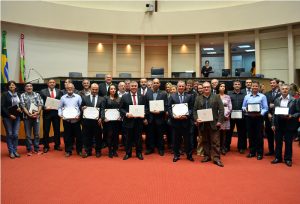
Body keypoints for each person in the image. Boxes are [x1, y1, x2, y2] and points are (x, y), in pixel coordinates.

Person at [194, 81, 225, 167]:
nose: (206, 88)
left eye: (208, 87)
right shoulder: (198, 98)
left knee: (215, 141)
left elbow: (221, 109)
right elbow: (194, 110)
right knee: (205, 141)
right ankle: (207, 156)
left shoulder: (216, 97)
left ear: (210, 88)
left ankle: (216, 158)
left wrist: (219, 121)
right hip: (203, 124)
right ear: (202, 89)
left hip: (214, 123)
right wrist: (196, 119)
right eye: (204, 87)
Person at [271, 84, 300, 167]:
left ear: (289, 90)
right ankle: (278, 158)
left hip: (289, 124)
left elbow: (298, 112)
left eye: (286, 89)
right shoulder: (276, 100)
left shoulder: (294, 100)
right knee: (278, 142)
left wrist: (292, 116)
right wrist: (273, 124)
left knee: (288, 143)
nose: (284, 90)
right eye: (283, 89)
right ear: (280, 90)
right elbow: (274, 113)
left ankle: (288, 159)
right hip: (278, 124)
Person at [120, 81, 148, 160]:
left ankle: (139, 153)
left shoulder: (142, 96)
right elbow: (121, 108)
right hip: (128, 121)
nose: (134, 87)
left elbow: (145, 108)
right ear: (129, 87)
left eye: (135, 86)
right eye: (132, 86)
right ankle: (128, 153)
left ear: (137, 86)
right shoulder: (124, 96)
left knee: (138, 138)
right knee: (128, 138)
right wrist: (126, 114)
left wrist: (144, 113)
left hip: (139, 121)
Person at [168, 80, 194, 162]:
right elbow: (169, 108)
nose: (181, 87)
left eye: (183, 86)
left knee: (188, 141)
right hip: (175, 122)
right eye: (180, 86)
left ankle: (189, 155)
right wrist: (174, 116)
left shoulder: (190, 96)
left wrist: (186, 115)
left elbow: (191, 108)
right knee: (176, 140)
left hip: (186, 122)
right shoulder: (172, 96)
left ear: (185, 87)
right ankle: (176, 155)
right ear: (177, 87)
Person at [242, 81, 268, 160]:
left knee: (259, 136)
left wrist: (260, 113)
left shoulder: (262, 96)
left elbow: (265, 108)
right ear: (251, 87)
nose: (254, 87)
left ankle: (259, 153)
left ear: (259, 87)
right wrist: (246, 110)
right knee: (250, 135)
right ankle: (252, 152)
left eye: (256, 86)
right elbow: (243, 107)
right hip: (249, 118)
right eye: (253, 86)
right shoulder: (247, 96)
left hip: (258, 118)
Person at [58, 83, 83, 157]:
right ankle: (68, 151)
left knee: (79, 136)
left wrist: (79, 115)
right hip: (67, 121)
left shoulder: (78, 97)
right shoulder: (63, 97)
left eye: (71, 87)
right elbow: (60, 107)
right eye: (68, 88)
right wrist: (60, 114)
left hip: (76, 120)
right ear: (66, 89)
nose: (70, 89)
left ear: (74, 88)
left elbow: (81, 108)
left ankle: (79, 151)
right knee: (67, 136)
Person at [145, 78, 168, 156]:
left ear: (159, 84)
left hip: (160, 117)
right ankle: (150, 149)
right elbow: (146, 106)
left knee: (160, 134)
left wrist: (160, 111)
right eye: (154, 83)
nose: (155, 84)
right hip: (150, 117)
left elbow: (166, 106)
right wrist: (149, 112)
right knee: (150, 134)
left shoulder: (164, 93)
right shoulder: (147, 94)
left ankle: (161, 149)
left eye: (157, 83)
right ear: (152, 84)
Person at [40, 79, 63, 153]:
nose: (52, 83)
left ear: (55, 84)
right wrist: (44, 107)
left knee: (57, 130)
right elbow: (40, 102)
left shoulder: (59, 91)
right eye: (50, 82)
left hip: (56, 114)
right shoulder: (43, 91)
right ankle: (46, 146)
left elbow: (61, 102)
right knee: (46, 130)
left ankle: (57, 145)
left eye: (53, 82)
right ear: (47, 84)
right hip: (47, 114)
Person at [20, 82, 43, 156]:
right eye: (27, 86)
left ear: (32, 87)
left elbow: (40, 104)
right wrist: (29, 114)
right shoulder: (22, 95)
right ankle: (29, 149)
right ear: (25, 88)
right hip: (27, 118)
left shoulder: (37, 94)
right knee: (28, 135)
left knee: (36, 134)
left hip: (36, 117)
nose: (29, 87)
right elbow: (23, 106)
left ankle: (36, 149)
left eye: (30, 86)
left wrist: (37, 112)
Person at [81, 83, 103, 158]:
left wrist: (101, 118)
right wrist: (82, 108)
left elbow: (102, 110)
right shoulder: (84, 98)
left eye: (96, 89)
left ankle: (98, 151)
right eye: (93, 89)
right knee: (87, 137)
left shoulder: (101, 99)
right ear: (90, 89)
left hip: (97, 122)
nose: (94, 91)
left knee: (98, 137)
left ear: (98, 90)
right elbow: (81, 107)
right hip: (87, 121)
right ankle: (88, 151)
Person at [1, 81, 22, 158]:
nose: (12, 86)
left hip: (17, 117)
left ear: (15, 86)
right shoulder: (4, 95)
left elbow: (21, 104)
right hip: (7, 117)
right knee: (9, 134)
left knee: (15, 134)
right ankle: (11, 151)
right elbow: (2, 107)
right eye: (10, 85)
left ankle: (15, 150)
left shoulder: (19, 94)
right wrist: (9, 115)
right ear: (8, 87)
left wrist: (20, 108)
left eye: (13, 85)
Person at [101, 84, 121, 158]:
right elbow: (102, 108)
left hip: (116, 121)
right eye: (111, 89)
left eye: (114, 89)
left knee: (116, 136)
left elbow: (121, 109)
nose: (113, 90)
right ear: (109, 90)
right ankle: (110, 150)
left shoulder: (119, 98)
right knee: (109, 135)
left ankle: (115, 150)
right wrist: (103, 117)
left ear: (116, 90)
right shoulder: (105, 98)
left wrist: (120, 117)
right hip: (108, 121)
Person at [227, 80, 247, 154]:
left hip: (241, 116)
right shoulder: (229, 94)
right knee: (229, 132)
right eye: (235, 84)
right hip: (231, 115)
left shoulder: (244, 94)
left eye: (238, 84)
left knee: (241, 132)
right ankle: (227, 146)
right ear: (233, 85)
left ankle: (241, 147)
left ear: (241, 86)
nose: (237, 85)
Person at [264, 78, 281, 156]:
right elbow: (265, 105)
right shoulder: (267, 94)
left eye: (273, 83)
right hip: (269, 117)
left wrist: (274, 105)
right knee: (269, 135)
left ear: (277, 84)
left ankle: (278, 152)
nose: (272, 84)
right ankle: (271, 151)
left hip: (278, 118)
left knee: (278, 136)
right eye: (271, 83)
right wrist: (268, 113)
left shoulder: (281, 93)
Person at [216, 82, 232, 155]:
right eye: (221, 86)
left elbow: (230, 107)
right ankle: (217, 148)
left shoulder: (227, 97)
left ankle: (223, 148)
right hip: (217, 118)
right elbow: (214, 107)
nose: (222, 87)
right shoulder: (215, 96)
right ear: (218, 88)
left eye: (224, 86)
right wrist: (219, 116)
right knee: (217, 134)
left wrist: (226, 115)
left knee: (224, 134)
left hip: (225, 117)